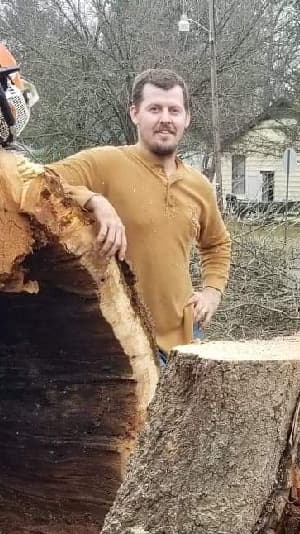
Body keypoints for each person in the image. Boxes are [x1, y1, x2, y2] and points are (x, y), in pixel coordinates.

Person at [47, 69, 230, 360]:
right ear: (135, 113)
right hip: (119, 346)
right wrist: (95, 201)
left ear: (187, 118)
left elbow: (217, 244)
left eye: (174, 110)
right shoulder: (106, 163)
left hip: (184, 340)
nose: (165, 119)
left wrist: (212, 292)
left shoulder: (199, 186)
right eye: (154, 109)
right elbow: (41, 179)